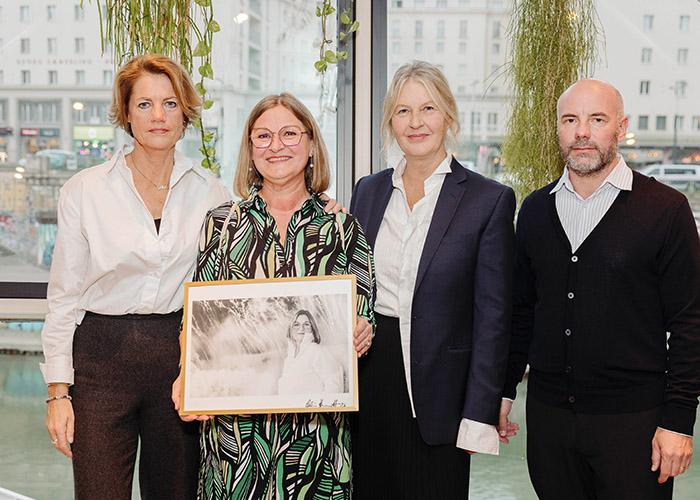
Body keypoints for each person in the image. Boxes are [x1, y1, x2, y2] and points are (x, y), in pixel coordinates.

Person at [40, 54, 230, 498]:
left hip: (178, 360)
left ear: (185, 113)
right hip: (100, 361)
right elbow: (64, 297)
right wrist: (57, 393)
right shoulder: (85, 190)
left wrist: (320, 204)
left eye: (169, 103)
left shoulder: (213, 193)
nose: (158, 116)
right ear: (126, 113)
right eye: (144, 104)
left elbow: (230, 282)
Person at [499, 79, 700, 500]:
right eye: (570, 120)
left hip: (635, 425)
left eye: (597, 119)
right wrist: (504, 389)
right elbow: (522, 312)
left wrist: (679, 421)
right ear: (557, 129)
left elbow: (690, 322)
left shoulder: (665, 209)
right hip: (550, 423)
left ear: (621, 127)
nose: (582, 132)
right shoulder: (535, 210)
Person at [172, 92, 375, 499]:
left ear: (311, 143)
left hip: (316, 441)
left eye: (289, 134)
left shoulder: (342, 228)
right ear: (250, 149)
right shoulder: (221, 225)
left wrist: (362, 331)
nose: (276, 146)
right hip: (236, 441)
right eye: (263, 136)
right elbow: (197, 325)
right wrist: (186, 376)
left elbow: (361, 315)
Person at [350, 61, 516, 499]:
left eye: (428, 108)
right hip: (371, 376)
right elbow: (353, 281)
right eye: (403, 111)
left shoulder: (488, 200)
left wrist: (480, 411)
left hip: (443, 391)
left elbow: (494, 318)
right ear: (390, 121)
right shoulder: (367, 191)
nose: (415, 122)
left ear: (448, 116)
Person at [277, 309, 344, 394]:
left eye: (306, 324)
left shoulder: (317, 351)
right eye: (296, 324)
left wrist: (318, 402)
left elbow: (334, 385)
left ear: (312, 329)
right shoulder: (288, 359)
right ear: (291, 329)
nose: (301, 328)